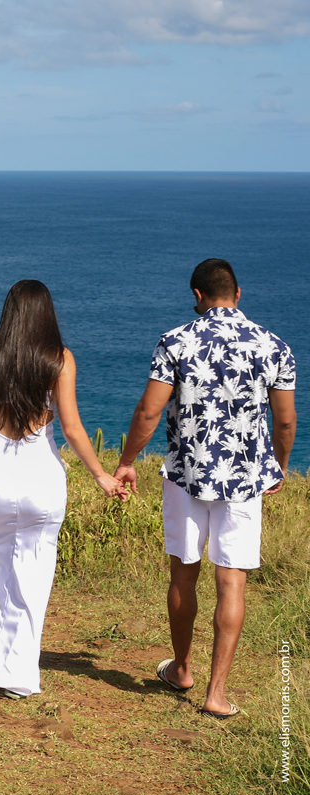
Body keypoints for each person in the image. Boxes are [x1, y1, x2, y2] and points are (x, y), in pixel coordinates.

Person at [115, 258, 296, 719]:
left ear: (197, 296)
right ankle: (216, 694)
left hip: (184, 475)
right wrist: (277, 466)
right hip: (244, 479)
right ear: (239, 293)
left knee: (183, 575)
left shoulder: (175, 341)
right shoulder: (274, 346)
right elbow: (286, 420)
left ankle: (181, 669)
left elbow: (149, 412)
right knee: (231, 581)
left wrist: (128, 461)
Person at [0, 280, 124, 699]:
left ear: (8, 312)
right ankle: (18, 676)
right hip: (41, 477)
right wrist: (102, 475)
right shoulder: (60, 360)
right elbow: (72, 429)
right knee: (32, 574)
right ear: (47, 314)